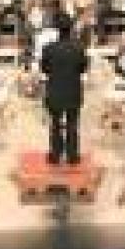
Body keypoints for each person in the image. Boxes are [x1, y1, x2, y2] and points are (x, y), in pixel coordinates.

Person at [40, 12, 88, 164]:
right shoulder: (79, 48)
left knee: (55, 124)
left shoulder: (48, 49)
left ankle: (55, 155)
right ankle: (72, 155)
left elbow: (44, 69)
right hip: (73, 90)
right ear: (71, 29)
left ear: (57, 29)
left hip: (54, 91)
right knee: (72, 124)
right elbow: (83, 68)